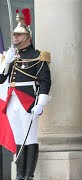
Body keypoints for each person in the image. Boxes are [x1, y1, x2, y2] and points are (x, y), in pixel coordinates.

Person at [0, 8, 51, 180]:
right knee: (19, 138)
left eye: (19, 35)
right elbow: (1, 80)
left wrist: (41, 104)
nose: (15, 37)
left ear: (28, 37)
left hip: (28, 100)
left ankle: (29, 175)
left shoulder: (38, 56)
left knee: (30, 138)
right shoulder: (12, 56)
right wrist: (6, 62)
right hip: (12, 100)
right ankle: (20, 174)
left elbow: (45, 81)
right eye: (14, 35)